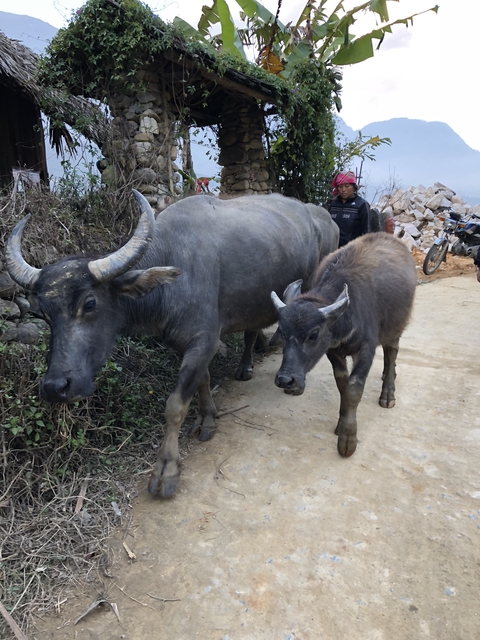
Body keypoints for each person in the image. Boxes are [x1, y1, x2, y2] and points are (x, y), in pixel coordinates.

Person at [328, 171, 371, 247]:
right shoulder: (333, 205)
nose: (343, 190)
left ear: (354, 187)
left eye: (347, 186)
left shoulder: (362, 205)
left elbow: (366, 232)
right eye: (340, 187)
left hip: (352, 251)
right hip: (333, 250)